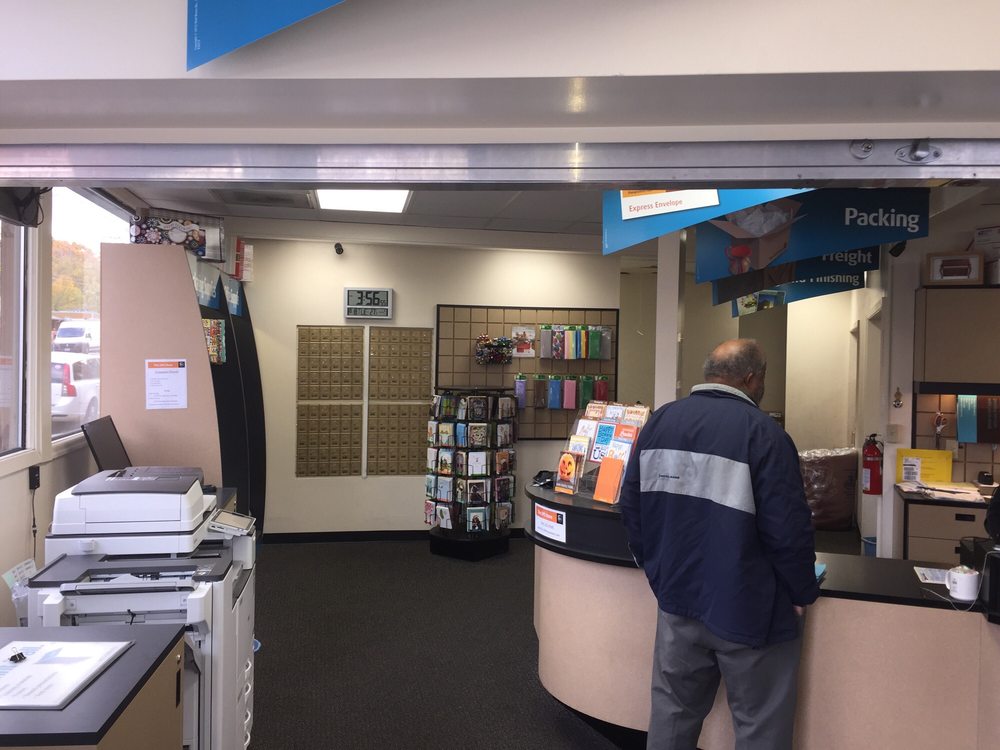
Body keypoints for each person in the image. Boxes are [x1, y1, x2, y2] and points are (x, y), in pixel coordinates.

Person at [619, 338, 818, 750]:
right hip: (750, 611)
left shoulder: (660, 422)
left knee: (672, 714)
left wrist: (657, 572)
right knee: (760, 728)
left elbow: (632, 507)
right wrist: (801, 591)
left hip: (677, 602)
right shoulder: (765, 435)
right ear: (752, 378)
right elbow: (788, 532)